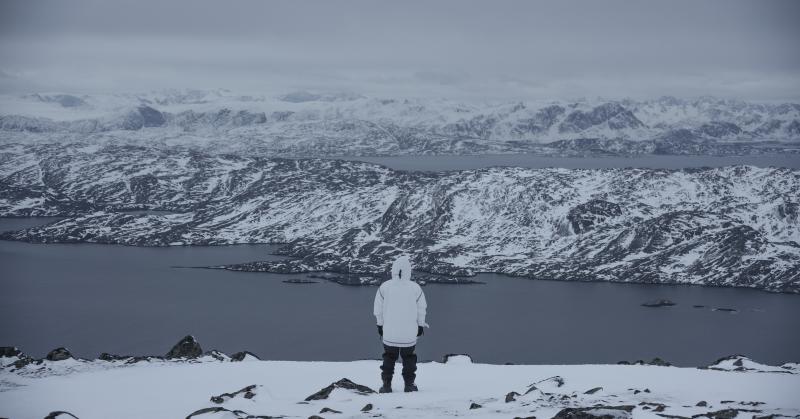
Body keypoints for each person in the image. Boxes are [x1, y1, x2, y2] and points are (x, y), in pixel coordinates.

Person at [373, 254, 429, 393]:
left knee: (389, 358)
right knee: (409, 359)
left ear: (394, 270)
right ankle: (409, 385)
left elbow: (377, 309)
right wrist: (420, 325)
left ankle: (386, 385)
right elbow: (422, 309)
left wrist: (380, 325)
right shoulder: (415, 288)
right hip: (409, 334)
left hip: (389, 333)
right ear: (408, 271)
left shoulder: (385, 287)